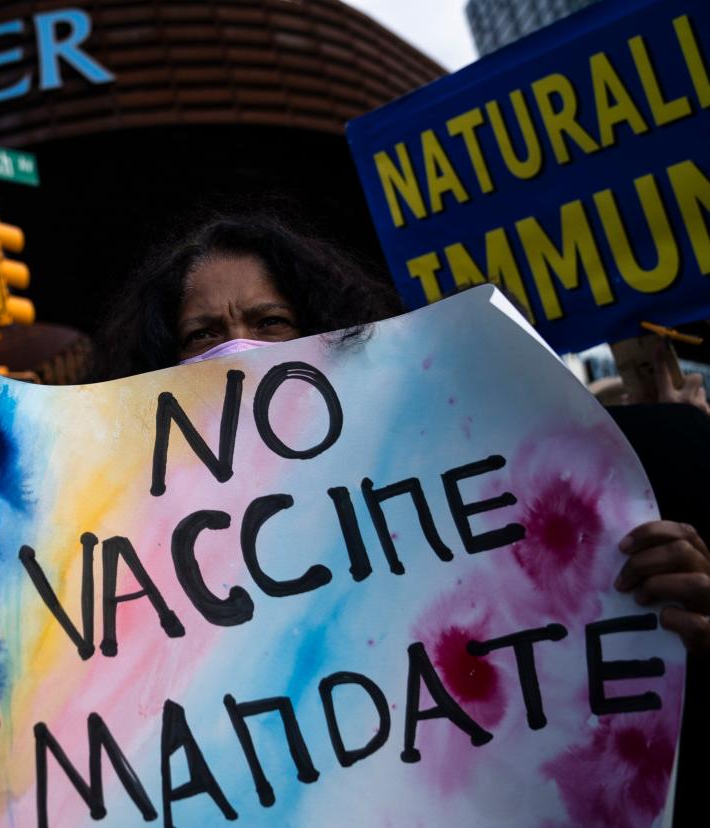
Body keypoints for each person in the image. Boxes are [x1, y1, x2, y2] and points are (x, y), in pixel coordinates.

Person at [92, 208, 708, 821]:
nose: (236, 349)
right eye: (201, 334)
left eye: (270, 321)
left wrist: (659, 604)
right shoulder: (130, 562)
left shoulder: (453, 481)